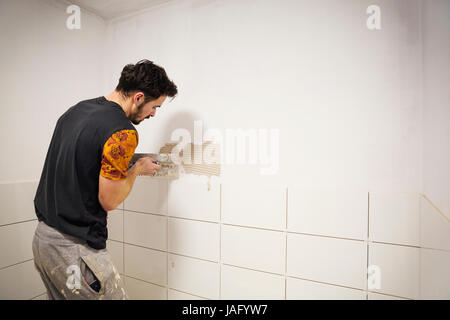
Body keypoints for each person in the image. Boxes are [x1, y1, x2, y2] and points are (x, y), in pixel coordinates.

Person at [32, 59, 177, 299]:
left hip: (43, 241)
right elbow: (109, 200)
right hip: (75, 250)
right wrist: (137, 169)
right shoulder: (122, 132)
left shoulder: (76, 111)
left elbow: (83, 165)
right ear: (139, 97)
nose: (153, 113)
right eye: (155, 107)